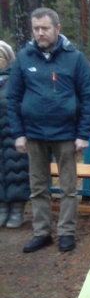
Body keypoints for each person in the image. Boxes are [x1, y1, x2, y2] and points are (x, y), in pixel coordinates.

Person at [7, 8, 90, 253]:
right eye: (36, 29)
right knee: (38, 187)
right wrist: (18, 133)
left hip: (66, 134)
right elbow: (13, 97)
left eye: (45, 28)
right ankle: (42, 233)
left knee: (69, 187)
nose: (40, 33)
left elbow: (88, 97)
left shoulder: (74, 58)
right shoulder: (24, 58)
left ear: (57, 29)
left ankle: (66, 232)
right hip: (33, 134)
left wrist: (83, 134)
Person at [0, 40, 30, 228]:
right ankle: (2, 208)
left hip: (13, 132)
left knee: (17, 171)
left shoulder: (16, 77)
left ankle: (17, 210)